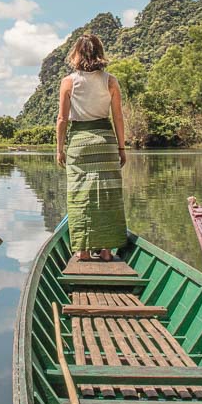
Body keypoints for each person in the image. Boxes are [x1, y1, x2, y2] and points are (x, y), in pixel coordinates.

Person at [56, 34, 128, 261]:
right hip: (106, 143)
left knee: (80, 195)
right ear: (99, 53)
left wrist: (59, 149)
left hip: (80, 143)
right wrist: (121, 147)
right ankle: (106, 251)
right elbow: (117, 117)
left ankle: (83, 251)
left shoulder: (69, 82)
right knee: (108, 194)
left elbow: (62, 119)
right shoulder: (110, 81)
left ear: (76, 54)